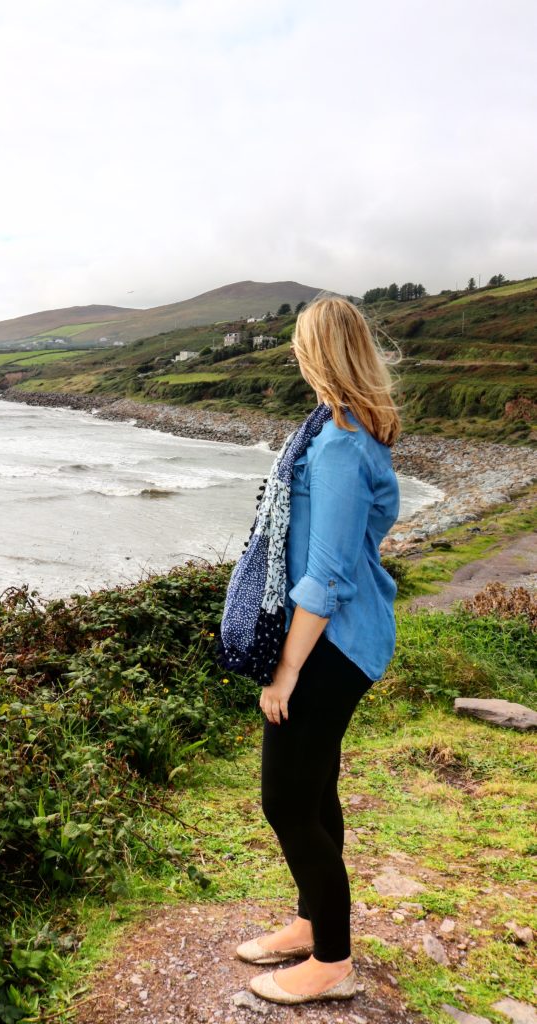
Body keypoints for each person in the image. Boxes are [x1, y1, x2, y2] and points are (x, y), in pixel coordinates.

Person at [235, 295, 402, 1005]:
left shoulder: (336, 445)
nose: (295, 354)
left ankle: (330, 962)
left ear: (318, 352)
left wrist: (285, 671)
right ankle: (312, 924)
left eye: (300, 343)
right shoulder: (342, 432)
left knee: (285, 801)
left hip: (331, 643)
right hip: (342, 632)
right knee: (313, 788)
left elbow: (327, 573)